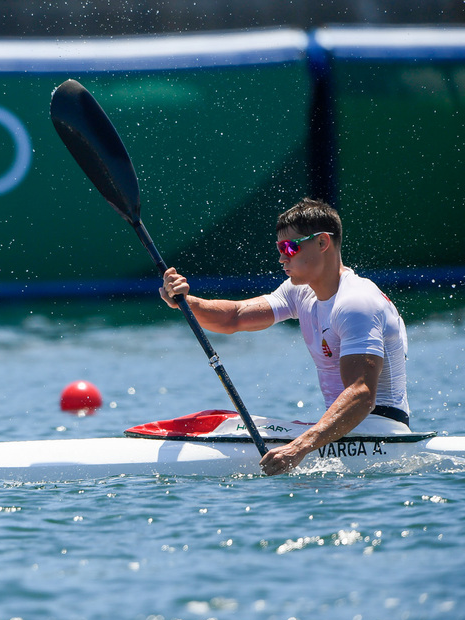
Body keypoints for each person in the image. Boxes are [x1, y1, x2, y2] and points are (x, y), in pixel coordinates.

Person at [159, 198, 409, 476]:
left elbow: (362, 394)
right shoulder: (300, 291)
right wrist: (186, 302)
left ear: (322, 243)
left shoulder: (356, 303)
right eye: (279, 248)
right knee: (213, 420)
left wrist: (299, 447)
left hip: (380, 430)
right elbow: (235, 316)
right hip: (341, 429)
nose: (281, 258)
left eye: (289, 247)